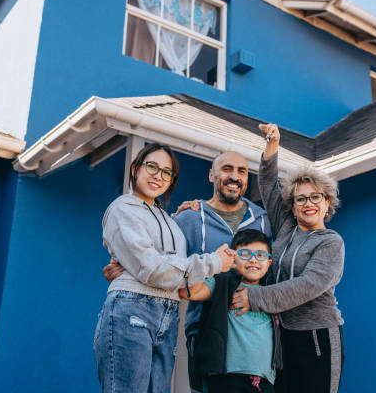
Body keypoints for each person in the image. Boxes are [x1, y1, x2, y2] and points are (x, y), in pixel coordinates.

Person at [103, 150, 272, 392]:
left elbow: (276, 271)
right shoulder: (188, 218)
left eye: (242, 171)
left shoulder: (264, 221)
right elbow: (158, 253)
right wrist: (126, 264)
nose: (234, 176)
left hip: (253, 341)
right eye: (226, 169)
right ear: (212, 175)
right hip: (202, 331)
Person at [231, 124, 345, 393]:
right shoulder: (286, 227)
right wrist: (272, 146)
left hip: (318, 337)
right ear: (292, 207)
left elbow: (307, 285)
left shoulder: (330, 242)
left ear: (327, 202)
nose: (308, 204)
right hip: (284, 336)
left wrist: (254, 298)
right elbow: (269, 184)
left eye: (315, 197)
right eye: (301, 199)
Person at [178, 229, 281, 393]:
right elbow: (188, 292)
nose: (253, 260)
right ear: (233, 259)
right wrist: (215, 263)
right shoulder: (222, 282)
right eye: (245, 254)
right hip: (226, 377)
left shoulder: (272, 292)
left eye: (260, 255)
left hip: (264, 380)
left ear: (269, 262)